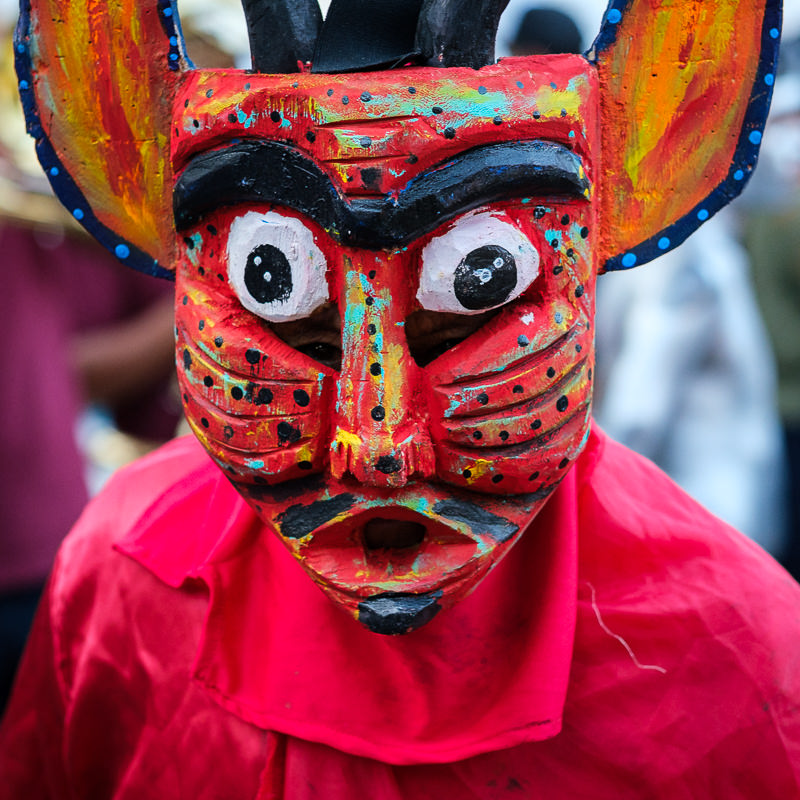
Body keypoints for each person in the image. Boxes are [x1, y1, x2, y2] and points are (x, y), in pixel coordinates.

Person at [2, 0, 798, 796]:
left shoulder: (741, 658)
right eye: (296, 325)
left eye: (468, 311)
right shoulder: (123, 577)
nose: (376, 445)